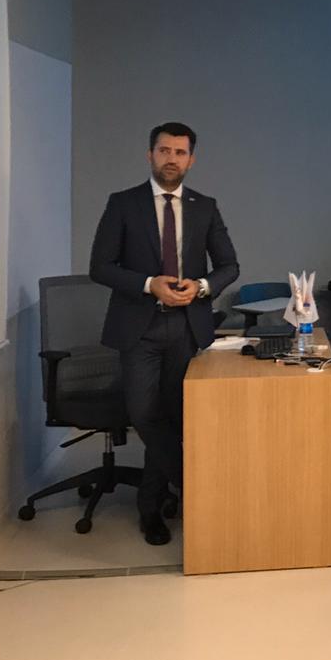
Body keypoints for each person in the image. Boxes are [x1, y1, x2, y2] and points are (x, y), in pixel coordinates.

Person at [88, 122, 239, 545]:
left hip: (187, 327)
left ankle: (151, 509)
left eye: (180, 152)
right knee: (144, 414)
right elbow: (100, 267)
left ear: (191, 160)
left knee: (174, 417)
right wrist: (147, 283)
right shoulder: (123, 203)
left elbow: (229, 265)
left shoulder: (204, 206)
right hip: (139, 327)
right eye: (164, 150)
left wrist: (202, 287)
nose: (171, 159)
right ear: (150, 155)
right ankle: (195, 485)